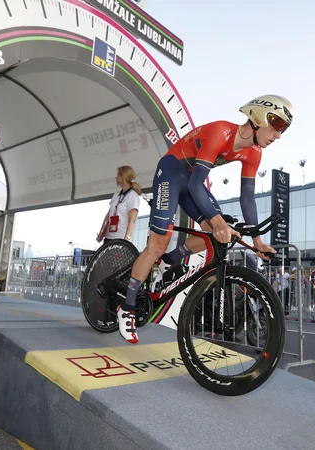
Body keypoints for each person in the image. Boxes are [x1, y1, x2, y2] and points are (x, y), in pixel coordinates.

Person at [116, 95, 293, 344]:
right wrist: (217, 220)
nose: (278, 136)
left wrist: (258, 241)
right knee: (158, 244)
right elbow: (197, 183)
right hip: (171, 172)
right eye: (276, 128)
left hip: (191, 180)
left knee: (218, 230)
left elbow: (248, 198)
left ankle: (170, 261)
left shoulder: (254, 153)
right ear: (258, 118)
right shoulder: (222, 131)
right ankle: (127, 307)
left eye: (282, 131)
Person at [97, 166, 142, 245]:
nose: (116, 177)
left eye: (118, 175)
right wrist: (101, 232)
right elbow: (108, 216)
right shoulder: (116, 195)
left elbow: (132, 220)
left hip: (121, 237)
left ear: (123, 176)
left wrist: (126, 240)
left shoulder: (133, 196)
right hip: (109, 237)